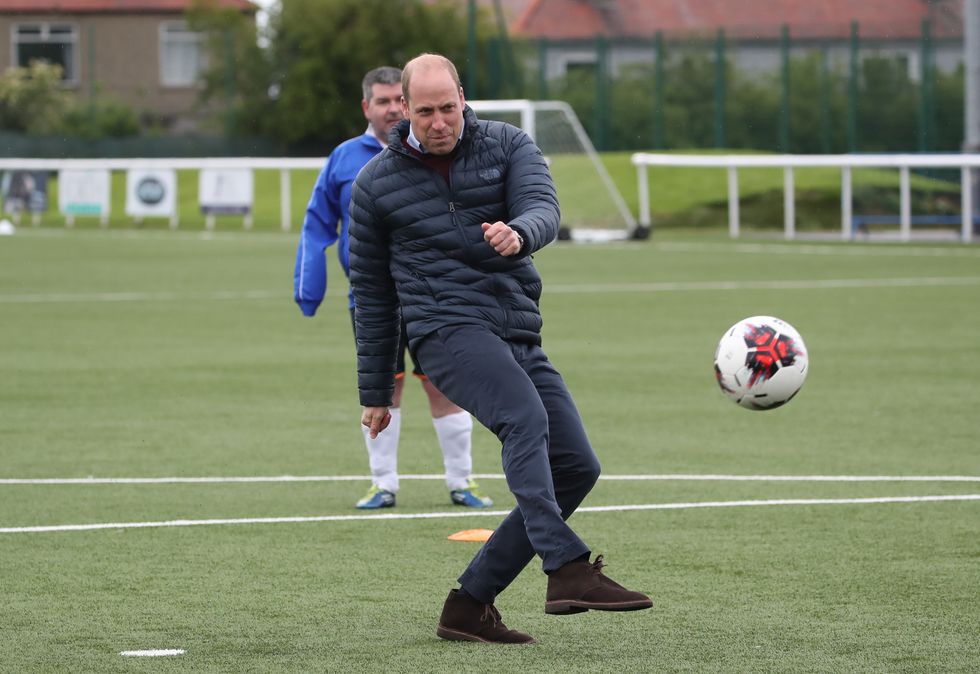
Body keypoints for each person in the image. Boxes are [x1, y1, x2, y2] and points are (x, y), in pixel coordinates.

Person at [349, 53, 652, 645]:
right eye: (427, 111)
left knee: (576, 466)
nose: (440, 122)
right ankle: (566, 568)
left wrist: (521, 233)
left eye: (449, 108)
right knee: (524, 417)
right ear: (404, 108)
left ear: (463, 97)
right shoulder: (374, 185)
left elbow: (544, 208)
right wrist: (377, 389)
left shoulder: (509, 144)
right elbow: (372, 294)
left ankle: (468, 604)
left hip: (513, 328)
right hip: (443, 331)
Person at [293, 66, 492, 511]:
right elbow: (318, 223)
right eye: (378, 101)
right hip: (370, 299)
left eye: (393, 100)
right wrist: (309, 279)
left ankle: (462, 481)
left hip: (433, 294)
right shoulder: (345, 158)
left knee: (445, 384)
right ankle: (383, 484)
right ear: (367, 107)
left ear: (405, 104)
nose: (387, 109)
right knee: (384, 388)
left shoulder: (433, 152)